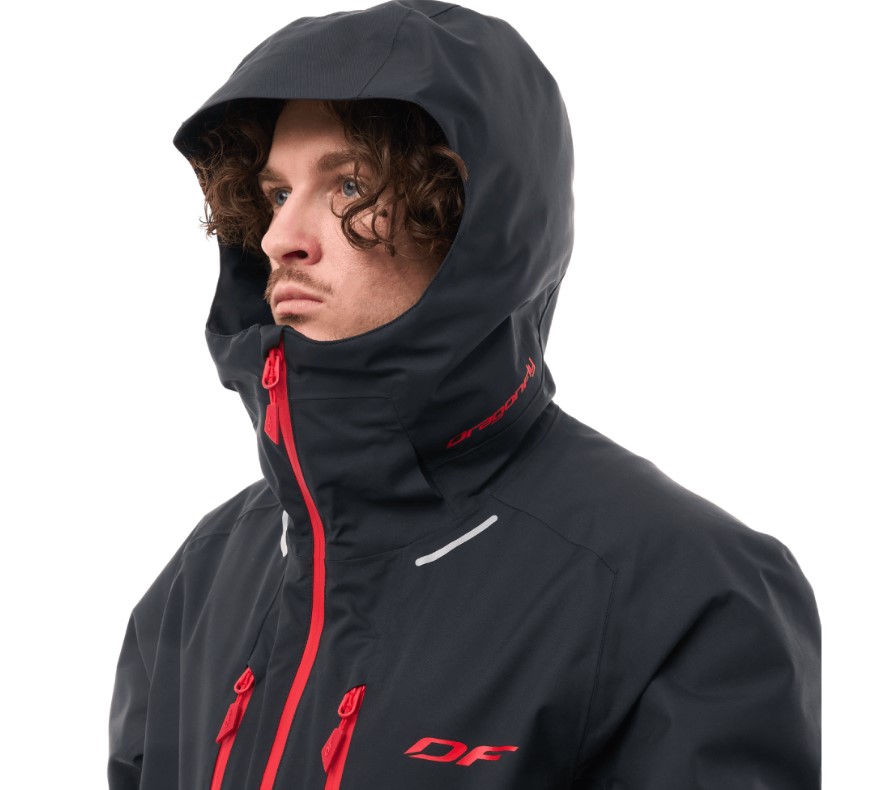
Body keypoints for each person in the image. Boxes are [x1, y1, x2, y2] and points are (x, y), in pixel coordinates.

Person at [108, 1, 821, 788]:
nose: (281, 238)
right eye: (277, 194)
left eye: (349, 185)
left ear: (466, 220)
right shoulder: (201, 581)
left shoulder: (683, 594)